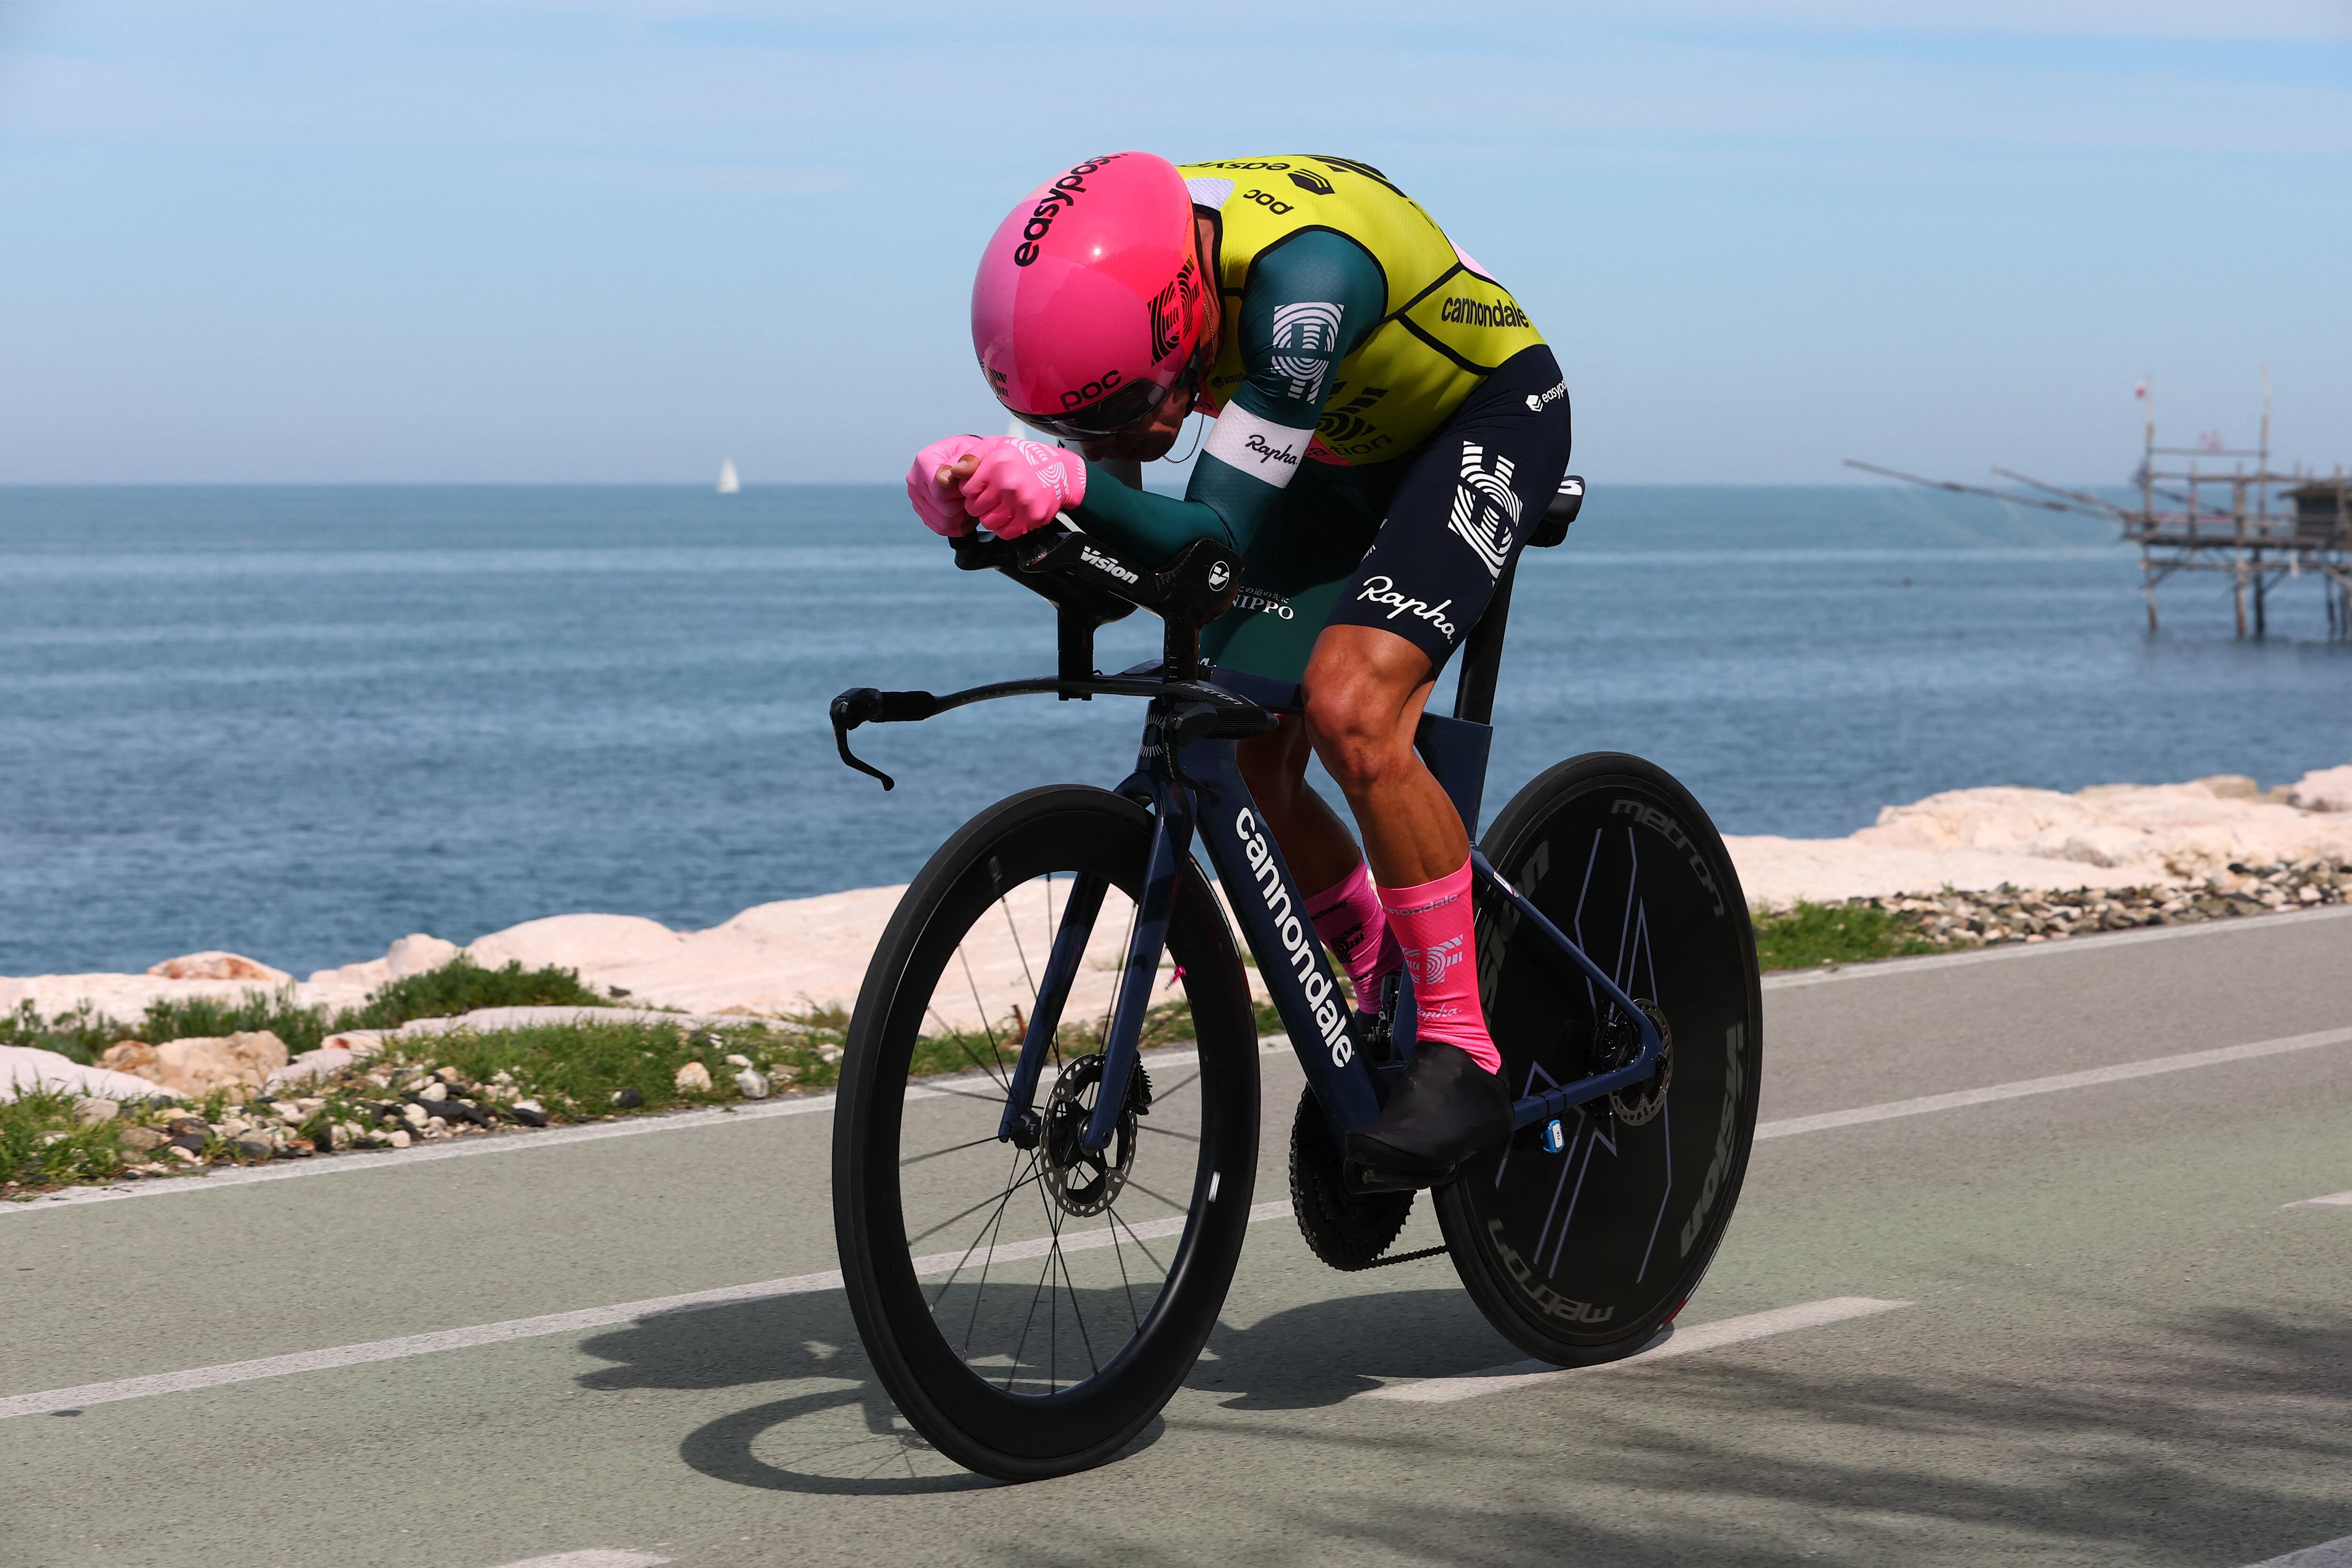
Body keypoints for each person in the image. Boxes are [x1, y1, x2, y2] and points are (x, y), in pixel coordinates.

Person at [905, 151, 1571, 1186]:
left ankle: (1458, 1042)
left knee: (1352, 709)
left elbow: (1205, 536)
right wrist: (993, 500)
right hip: (1328, 451)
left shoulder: (1304, 289)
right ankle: (1369, 957)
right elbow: (1142, 567)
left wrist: (1073, 478)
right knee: (1242, 740)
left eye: (1134, 404)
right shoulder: (1121, 302)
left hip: (1474, 422)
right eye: (1078, 420)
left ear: (1180, 320)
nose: (1136, 433)